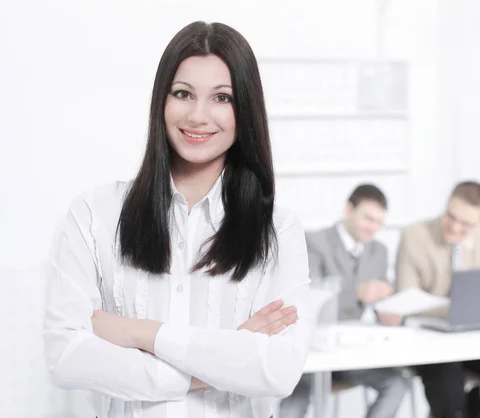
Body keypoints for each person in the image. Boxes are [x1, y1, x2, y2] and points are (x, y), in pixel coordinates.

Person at [42, 21, 312, 418]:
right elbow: (64, 356)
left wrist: (141, 333)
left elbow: (278, 370)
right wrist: (226, 355)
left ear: (246, 111)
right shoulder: (94, 214)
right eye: (183, 94)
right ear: (161, 102)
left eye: (222, 98)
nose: (198, 115)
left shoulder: (278, 229)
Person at [392, 181, 480, 418]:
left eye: (466, 224)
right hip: (431, 342)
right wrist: (454, 308)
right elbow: (406, 298)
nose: (455, 227)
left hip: (477, 339)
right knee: (449, 392)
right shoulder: (415, 235)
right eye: (451, 216)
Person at [279, 185, 409, 418]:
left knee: (397, 383)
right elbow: (310, 301)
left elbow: (380, 307)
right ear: (349, 210)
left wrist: (390, 311)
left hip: (351, 352)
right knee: (295, 396)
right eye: (368, 218)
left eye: (379, 222)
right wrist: (357, 292)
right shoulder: (313, 242)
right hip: (313, 349)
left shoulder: (378, 251)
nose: (373, 228)